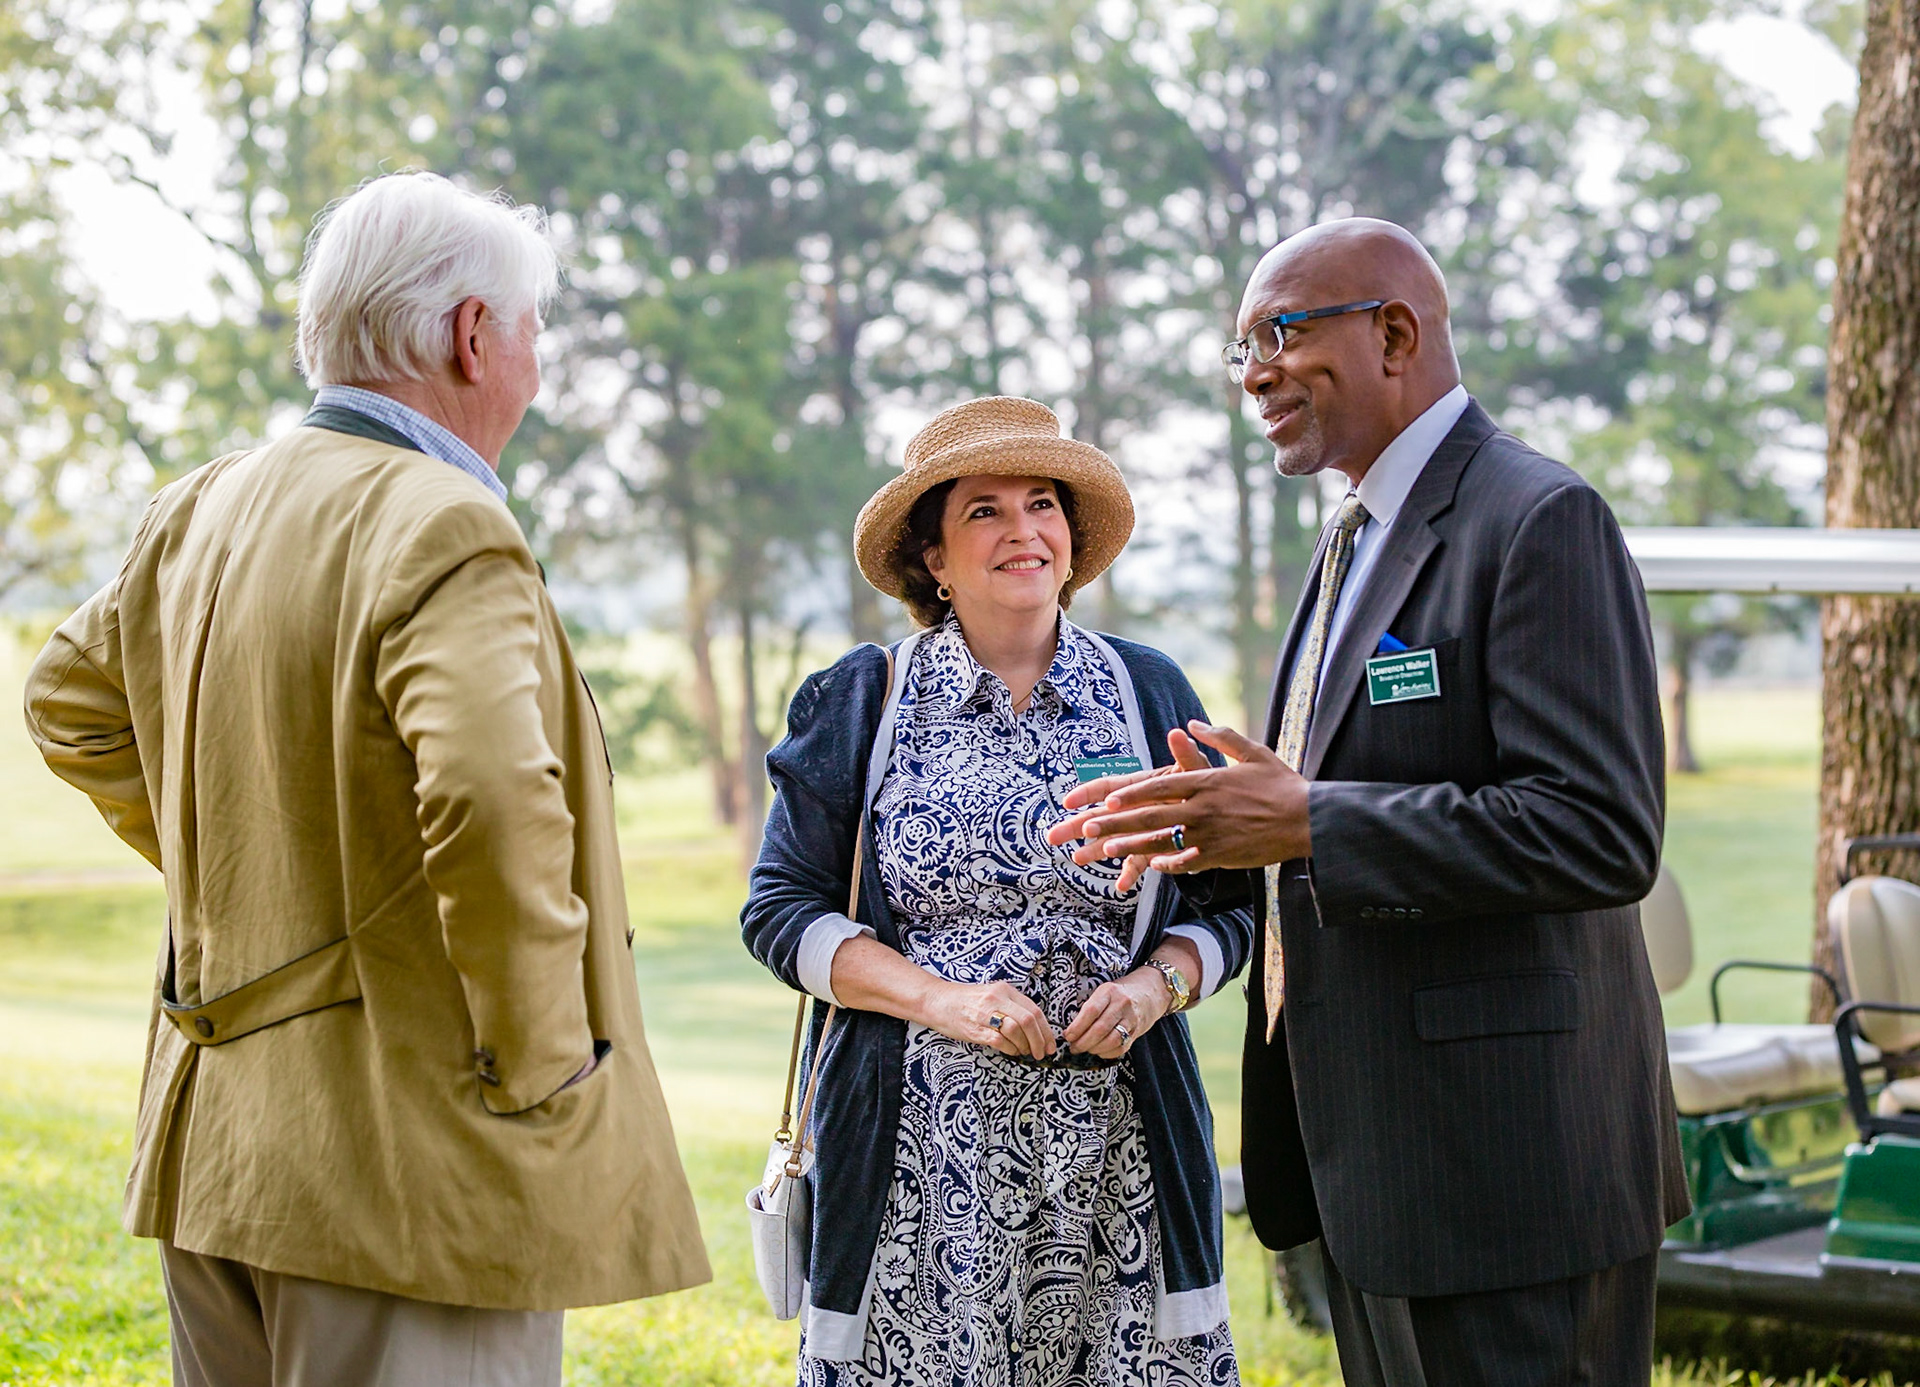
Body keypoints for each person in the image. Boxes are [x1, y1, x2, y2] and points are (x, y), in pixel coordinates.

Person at [22, 171, 709, 1387]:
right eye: (535, 332)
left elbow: (67, 705)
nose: (537, 369)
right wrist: (547, 1058)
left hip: (219, 1155)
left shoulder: (199, 508)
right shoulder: (444, 522)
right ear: (472, 334)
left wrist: (248, 865)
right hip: (409, 1169)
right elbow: (494, 808)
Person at [1049, 219, 1689, 1385]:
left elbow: (1599, 828)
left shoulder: (1537, 517)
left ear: (1395, 331)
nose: (1252, 374)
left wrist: (1306, 820)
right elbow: (1344, 795)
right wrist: (1220, 819)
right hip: (1379, 1165)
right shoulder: (1352, 536)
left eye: (1280, 333)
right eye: (1238, 345)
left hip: (1509, 1172)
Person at [741, 396, 1252, 1386]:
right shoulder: (864, 699)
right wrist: (948, 1002)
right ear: (932, 556)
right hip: (918, 1159)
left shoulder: (1150, 694)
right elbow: (780, 910)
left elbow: (1230, 905)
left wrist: (1155, 989)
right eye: (984, 510)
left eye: (1042, 503)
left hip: (1124, 1154)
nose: (1023, 530)